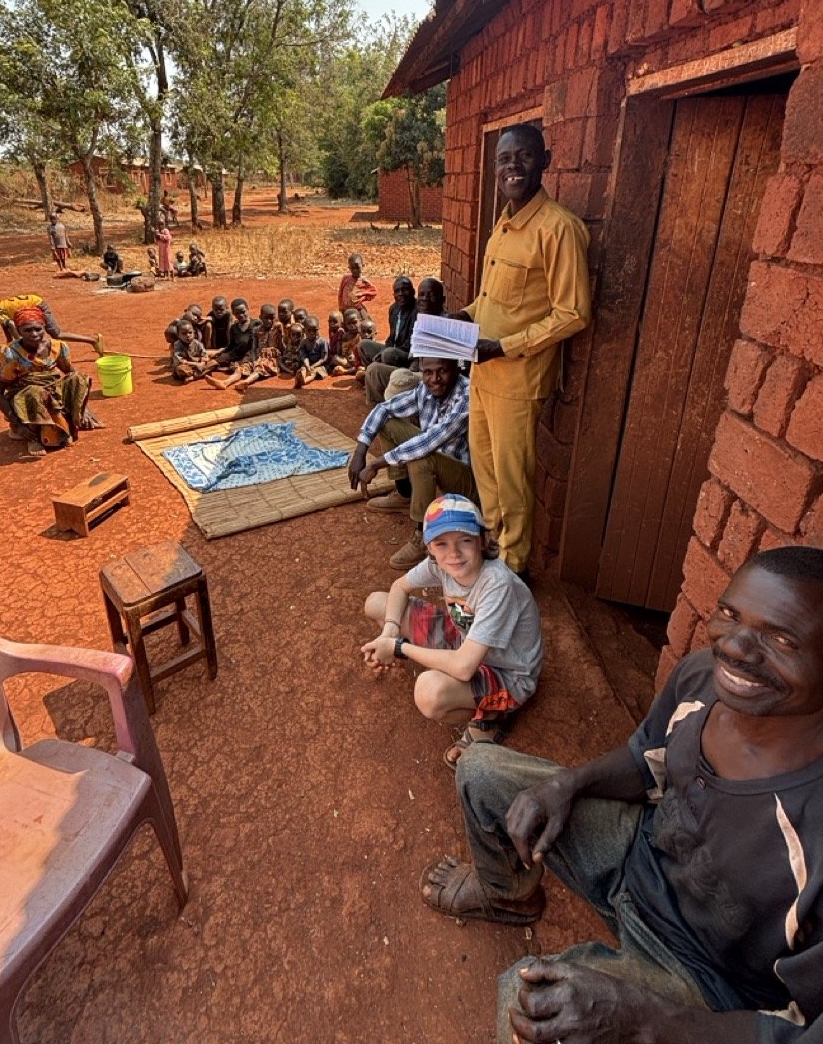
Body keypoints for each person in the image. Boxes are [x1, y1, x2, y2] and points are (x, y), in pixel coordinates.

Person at [421, 546, 823, 1044]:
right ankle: (508, 895)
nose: (736, 646)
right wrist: (566, 785)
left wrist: (653, 1022)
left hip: (702, 979)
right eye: (729, 614)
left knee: (524, 1007)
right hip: (640, 859)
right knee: (481, 770)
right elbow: (643, 760)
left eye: (781, 638)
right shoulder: (700, 678)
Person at [451, 124, 590, 577]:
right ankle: (494, 545)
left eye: (524, 157)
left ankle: (513, 570)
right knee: (486, 471)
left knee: (512, 482)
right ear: (495, 168)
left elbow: (573, 313)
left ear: (544, 162)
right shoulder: (505, 223)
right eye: (505, 159)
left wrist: (505, 346)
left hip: (517, 379)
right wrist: (466, 316)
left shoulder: (559, 229)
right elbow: (494, 299)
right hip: (482, 372)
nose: (513, 166)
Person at [360, 495, 540, 768]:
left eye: (464, 541)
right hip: (465, 641)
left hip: (508, 674)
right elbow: (399, 587)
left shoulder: (497, 583)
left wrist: (397, 648)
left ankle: (490, 718)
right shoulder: (439, 563)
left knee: (429, 693)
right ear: (430, 547)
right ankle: (453, 681)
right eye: (441, 544)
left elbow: (466, 667)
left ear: (482, 540)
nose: (453, 553)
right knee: (377, 603)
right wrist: (388, 633)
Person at [348, 356, 478, 568]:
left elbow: (430, 441)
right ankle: (405, 493)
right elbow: (384, 409)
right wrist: (360, 450)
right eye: (428, 372)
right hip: (437, 458)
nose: (434, 379)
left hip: (465, 480)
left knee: (421, 458)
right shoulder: (425, 388)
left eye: (442, 371)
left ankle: (424, 534)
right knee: (387, 421)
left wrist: (376, 464)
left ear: (457, 368)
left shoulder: (466, 395)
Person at [0, 307, 101, 456]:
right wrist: (17, 423)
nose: (34, 334)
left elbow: (70, 372)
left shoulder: (57, 347)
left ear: (44, 327)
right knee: (35, 393)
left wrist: (83, 408)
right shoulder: (10, 354)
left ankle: (70, 420)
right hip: (26, 400)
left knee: (78, 379)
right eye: (27, 330)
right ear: (18, 330)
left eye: (38, 329)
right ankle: (31, 436)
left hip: (52, 395)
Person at [365, 276, 446, 404]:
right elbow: (393, 338)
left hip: (427, 378)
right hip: (415, 368)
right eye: (422, 295)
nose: (425, 299)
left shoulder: (444, 323)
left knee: (384, 368)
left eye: (431, 295)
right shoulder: (414, 317)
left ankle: (386, 410)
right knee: (372, 360)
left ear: (442, 300)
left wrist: (410, 369)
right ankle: (380, 405)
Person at [0, 296, 103, 353]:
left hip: (38, 306)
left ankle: (92, 340)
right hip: (34, 304)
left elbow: (10, 324)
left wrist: (20, 344)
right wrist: (10, 342)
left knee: (57, 334)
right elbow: (6, 327)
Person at [359, 276, 417, 370]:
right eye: (397, 291)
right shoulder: (394, 309)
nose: (401, 294)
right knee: (363, 345)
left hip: (408, 355)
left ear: (413, 292)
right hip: (393, 351)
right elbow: (392, 337)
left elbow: (411, 343)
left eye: (405, 290)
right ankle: (372, 374)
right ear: (393, 295)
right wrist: (384, 350)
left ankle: (384, 375)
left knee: (388, 354)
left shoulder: (418, 310)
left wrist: (386, 352)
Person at [206, 297, 257, 389]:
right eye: (237, 313)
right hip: (235, 354)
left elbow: (255, 347)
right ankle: (191, 373)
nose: (241, 315)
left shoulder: (256, 324)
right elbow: (231, 345)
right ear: (233, 314)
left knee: (239, 370)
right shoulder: (234, 328)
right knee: (213, 362)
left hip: (249, 355)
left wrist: (249, 359)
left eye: (243, 311)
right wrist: (221, 353)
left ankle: (225, 383)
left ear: (248, 309)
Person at [238, 304, 281, 390]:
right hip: (257, 355)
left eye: (272, 318)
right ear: (260, 317)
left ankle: (247, 381)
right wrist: (254, 360)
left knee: (261, 367)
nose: (269, 321)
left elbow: (282, 347)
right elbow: (254, 348)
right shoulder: (256, 330)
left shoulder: (278, 329)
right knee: (243, 366)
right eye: (266, 318)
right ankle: (226, 382)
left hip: (271, 358)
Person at [338, 252, 377, 318]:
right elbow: (340, 294)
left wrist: (363, 297)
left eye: (357, 267)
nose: (355, 270)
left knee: (366, 323)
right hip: (345, 310)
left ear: (363, 265)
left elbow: (374, 292)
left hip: (358, 310)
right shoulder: (345, 279)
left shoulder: (364, 281)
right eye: (352, 268)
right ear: (349, 268)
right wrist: (341, 307)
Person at [295, 315, 329, 387]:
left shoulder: (322, 342)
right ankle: (301, 377)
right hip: (308, 364)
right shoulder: (303, 342)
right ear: (304, 330)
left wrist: (314, 366)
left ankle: (305, 381)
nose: (312, 333)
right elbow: (304, 356)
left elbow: (324, 358)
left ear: (318, 330)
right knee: (303, 369)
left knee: (314, 372)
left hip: (320, 365)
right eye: (309, 330)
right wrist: (307, 365)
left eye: (314, 330)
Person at [171, 317, 209, 382]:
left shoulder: (198, 343)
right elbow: (181, 361)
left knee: (214, 364)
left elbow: (205, 357)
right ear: (178, 335)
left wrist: (202, 363)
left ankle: (192, 377)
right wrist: (196, 364)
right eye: (184, 333)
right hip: (187, 367)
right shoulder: (177, 345)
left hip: (199, 366)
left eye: (190, 332)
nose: (188, 335)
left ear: (194, 332)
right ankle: (198, 374)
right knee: (181, 370)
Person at [329, 308, 364, 378]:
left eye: (354, 322)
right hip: (349, 362)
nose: (352, 326)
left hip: (361, 361)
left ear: (360, 320)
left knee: (361, 366)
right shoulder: (345, 336)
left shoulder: (363, 334)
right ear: (345, 325)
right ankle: (352, 369)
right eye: (349, 323)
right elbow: (341, 353)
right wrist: (339, 338)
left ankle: (346, 371)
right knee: (335, 358)